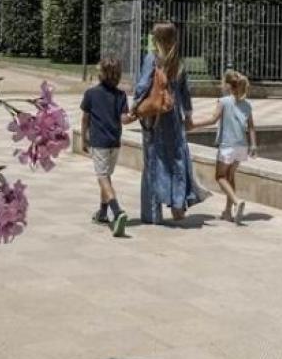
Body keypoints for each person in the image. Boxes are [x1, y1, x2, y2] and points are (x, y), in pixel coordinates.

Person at [132, 22, 206, 226]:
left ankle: (152, 214)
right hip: (174, 118)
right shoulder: (179, 63)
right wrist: (188, 116)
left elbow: (143, 85)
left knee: (153, 161)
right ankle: (178, 204)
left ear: (157, 39)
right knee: (177, 159)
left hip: (154, 117)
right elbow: (185, 92)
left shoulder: (152, 59)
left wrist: (135, 108)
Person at [79, 57, 134, 237]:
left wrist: (83, 139)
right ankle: (103, 213)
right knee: (107, 177)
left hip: (99, 142)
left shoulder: (91, 94)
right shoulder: (121, 96)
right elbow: (124, 119)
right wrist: (137, 114)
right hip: (114, 144)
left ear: (101, 73)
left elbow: (85, 118)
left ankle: (117, 212)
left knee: (102, 177)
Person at [194, 70, 257, 223]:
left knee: (220, 177)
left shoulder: (223, 101)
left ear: (228, 86)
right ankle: (228, 212)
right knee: (230, 177)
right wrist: (254, 145)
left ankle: (236, 201)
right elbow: (252, 127)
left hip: (227, 146)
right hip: (242, 146)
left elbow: (212, 120)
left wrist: (192, 125)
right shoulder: (247, 105)